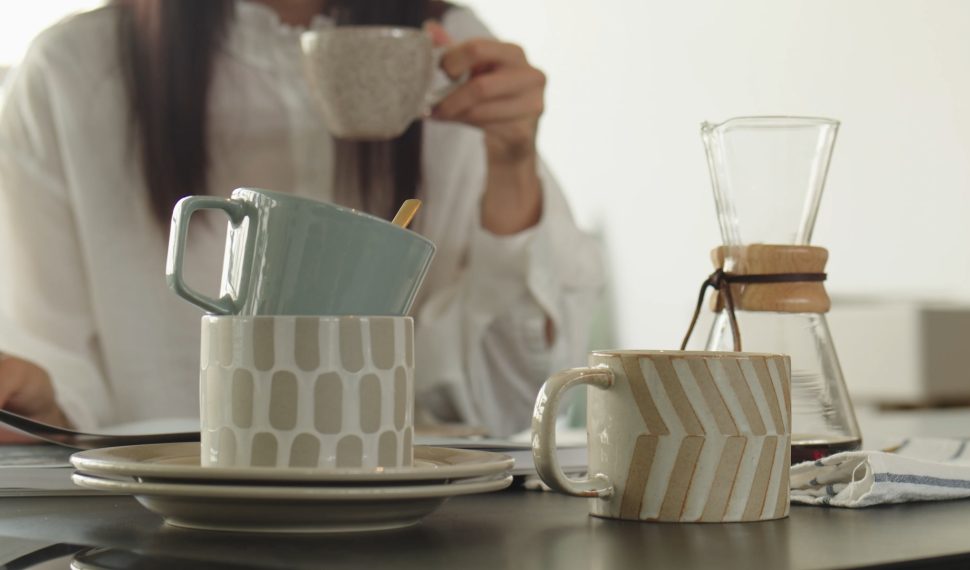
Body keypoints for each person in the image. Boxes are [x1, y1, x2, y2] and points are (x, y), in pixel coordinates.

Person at [0, 0, 601, 440]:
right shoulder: (72, 71)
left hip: (412, 518)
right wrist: (38, 408)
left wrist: (513, 157)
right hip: (151, 522)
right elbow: (55, 383)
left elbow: (509, 400)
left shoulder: (452, 56)